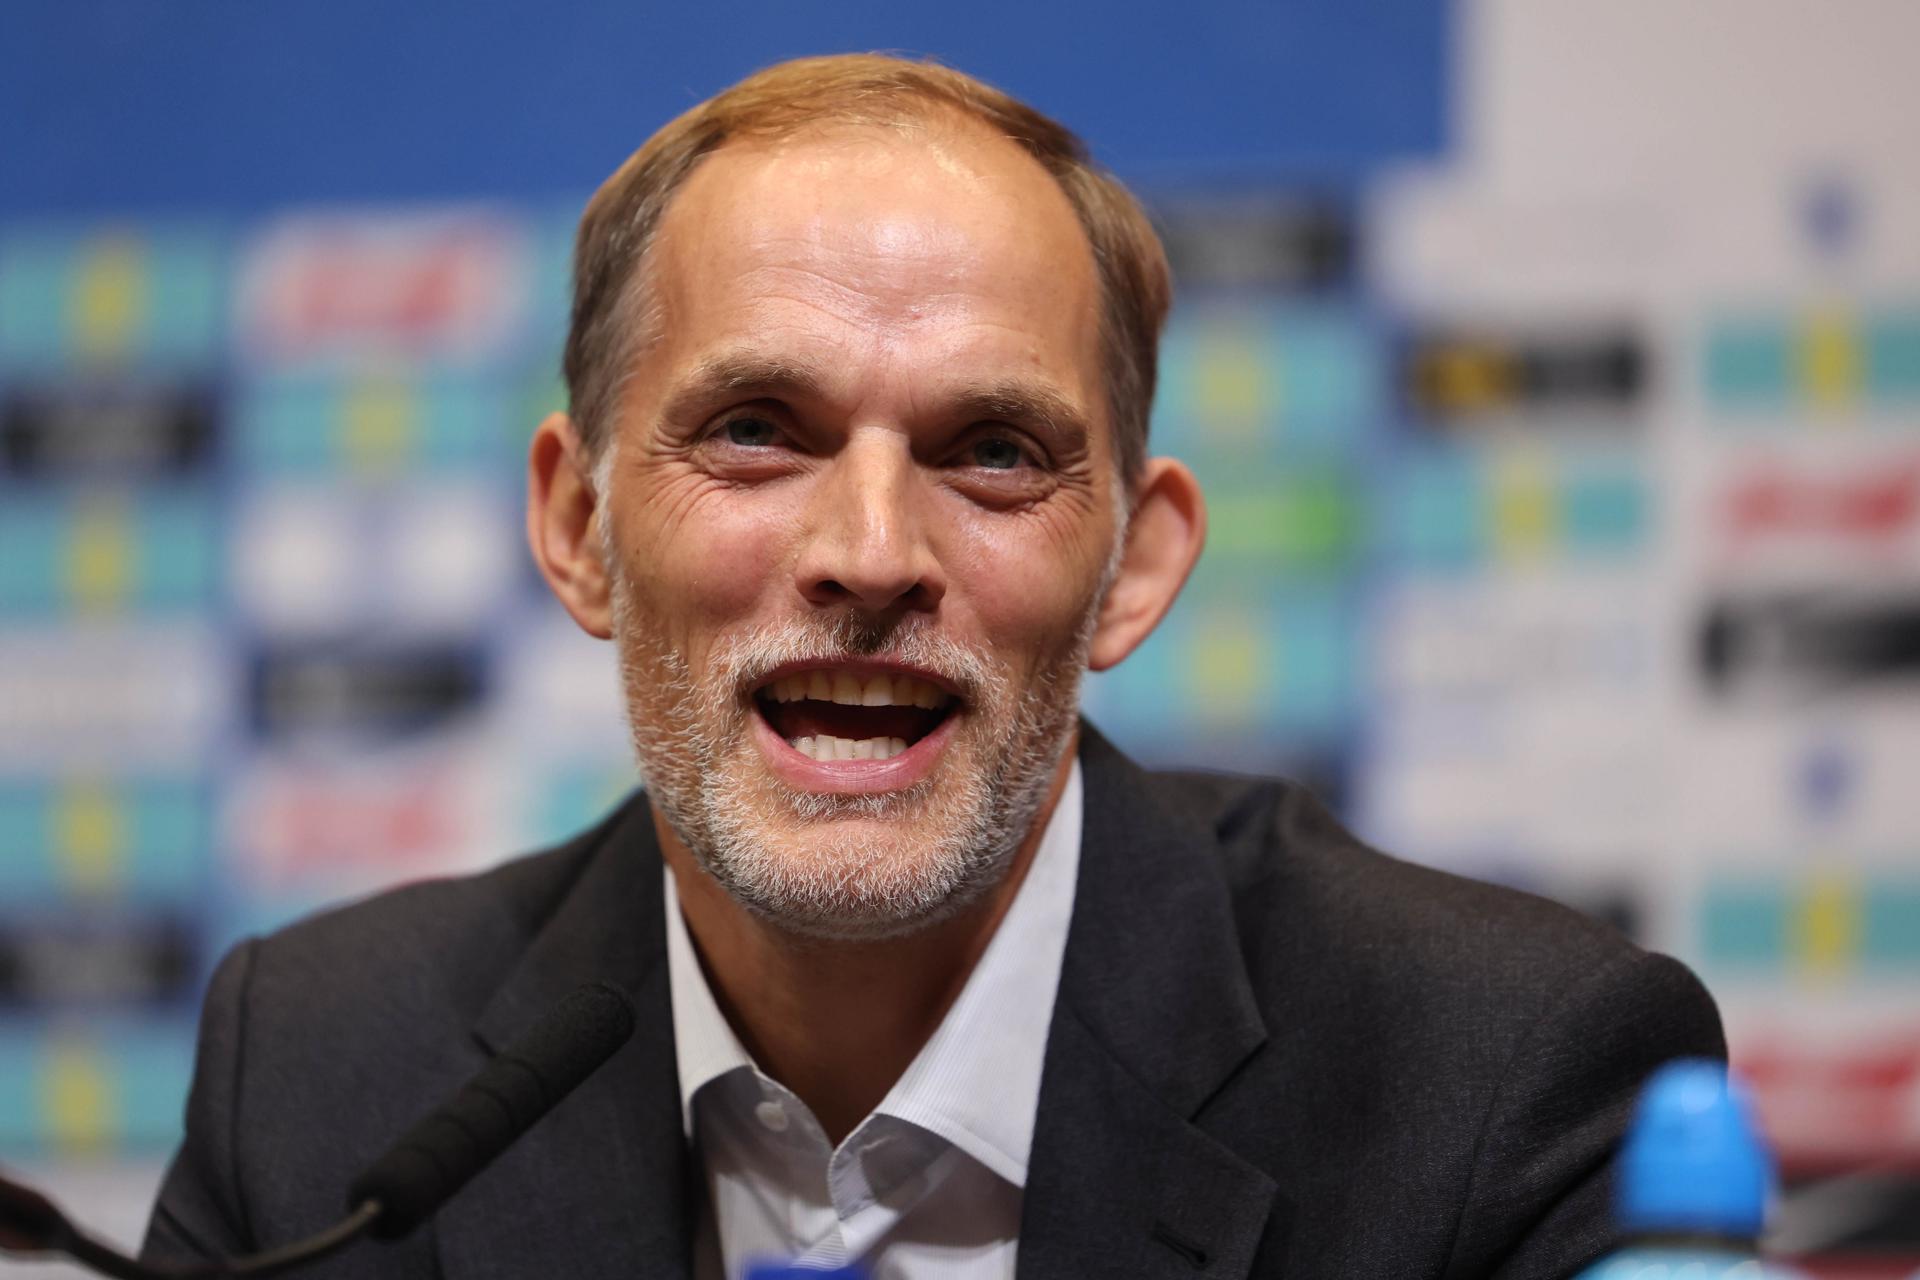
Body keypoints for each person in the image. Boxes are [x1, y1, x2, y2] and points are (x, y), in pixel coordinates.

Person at [143, 54, 1723, 1279]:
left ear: (1136, 568)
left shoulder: (1500, 1079)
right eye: (757, 431)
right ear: (576, 526)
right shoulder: (321, 1079)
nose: (875, 550)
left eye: (992, 451)